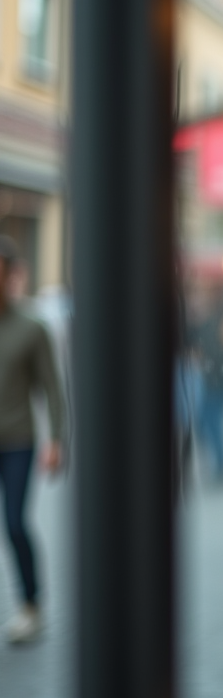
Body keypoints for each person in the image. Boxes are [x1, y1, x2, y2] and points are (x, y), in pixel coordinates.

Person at [0, 236, 65, 644]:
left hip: (17, 441)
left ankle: (31, 604)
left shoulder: (32, 327)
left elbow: (51, 388)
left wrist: (56, 439)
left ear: (10, 276)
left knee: (14, 523)